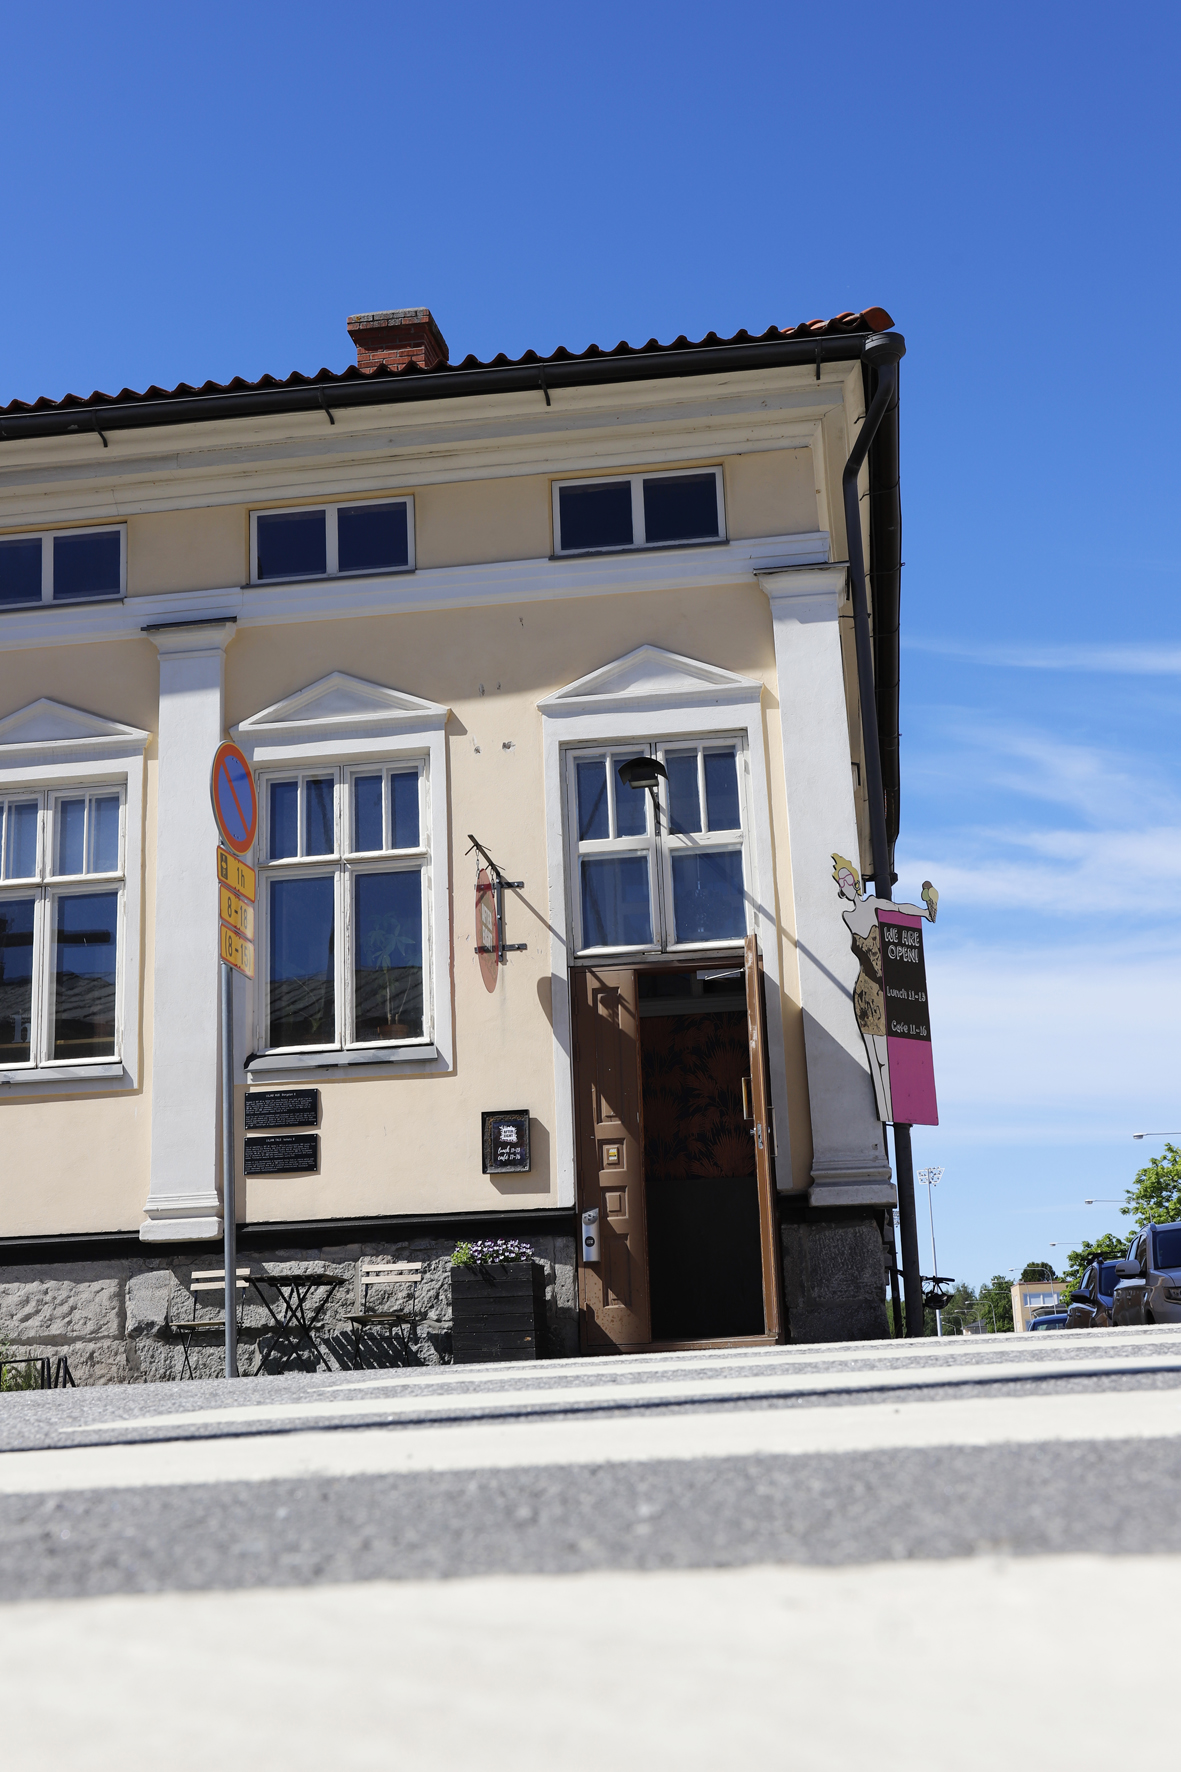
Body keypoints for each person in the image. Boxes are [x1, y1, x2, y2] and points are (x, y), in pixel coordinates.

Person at [831, 854, 936, 1123]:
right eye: (842, 882)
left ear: (856, 882)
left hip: (884, 991)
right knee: (875, 1056)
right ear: (841, 889)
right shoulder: (846, 916)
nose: (846, 884)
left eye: (848, 879)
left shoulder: (873, 905)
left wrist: (925, 912)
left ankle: (893, 1109)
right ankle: (885, 1108)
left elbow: (900, 908)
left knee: (888, 1057)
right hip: (865, 992)